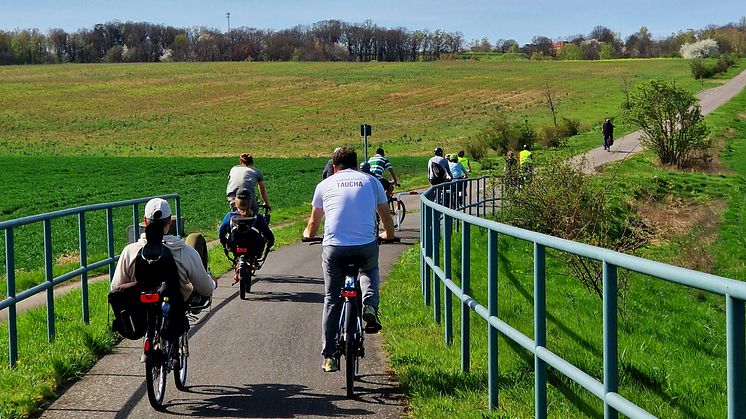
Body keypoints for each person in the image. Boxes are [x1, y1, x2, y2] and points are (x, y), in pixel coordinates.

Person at [302, 147, 396, 373]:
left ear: (334, 167)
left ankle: (328, 356)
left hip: (334, 248)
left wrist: (307, 235)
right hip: (365, 245)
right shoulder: (372, 182)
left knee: (332, 299)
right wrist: (388, 235)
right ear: (355, 165)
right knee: (369, 270)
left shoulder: (324, 185)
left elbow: (314, 223)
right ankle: (369, 306)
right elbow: (385, 216)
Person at [111, 198, 216, 302]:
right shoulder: (185, 251)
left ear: (145, 221)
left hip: (138, 314)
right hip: (174, 312)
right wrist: (213, 282)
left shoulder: (129, 251)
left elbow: (116, 287)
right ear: (170, 221)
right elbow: (206, 289)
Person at [218, 188, 275, 267]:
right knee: (263, 238)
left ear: (236, 202)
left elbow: (221, 232)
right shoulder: (257, 217)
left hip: (235, 247)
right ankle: (254, 261)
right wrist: (269, 245)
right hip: (254, 248)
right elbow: (268, 235)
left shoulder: (229, 216)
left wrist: (224, 243)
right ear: (250, 202)